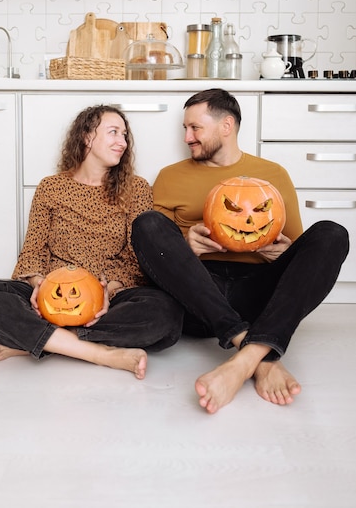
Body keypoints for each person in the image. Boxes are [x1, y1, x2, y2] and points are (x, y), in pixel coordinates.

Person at [131, 88, 349, 412]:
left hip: (256, 291)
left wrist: (284, 252)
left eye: (195, 128)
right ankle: (259, 357)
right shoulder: (169, 176)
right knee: (146, 223)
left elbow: (301, 252)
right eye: (185, 129)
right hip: (197, 293)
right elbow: (157, 252)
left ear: (226, 126)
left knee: (333, 233)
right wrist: (186, 242)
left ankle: (243, 360)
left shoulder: (273, 175)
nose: (188, 137)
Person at [0, 105, 183, 379]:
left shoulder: (136, 188)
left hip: (110, 294)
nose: (122, 142)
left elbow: (136, 261)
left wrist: (106, 293)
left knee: (166, 313)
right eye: (113, 132)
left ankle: (39, 341)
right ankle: (100, 353)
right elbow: (33, 251)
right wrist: (39, 289)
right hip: (52, 295)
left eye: (125, 135)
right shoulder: (51, 187)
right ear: (87, 136)